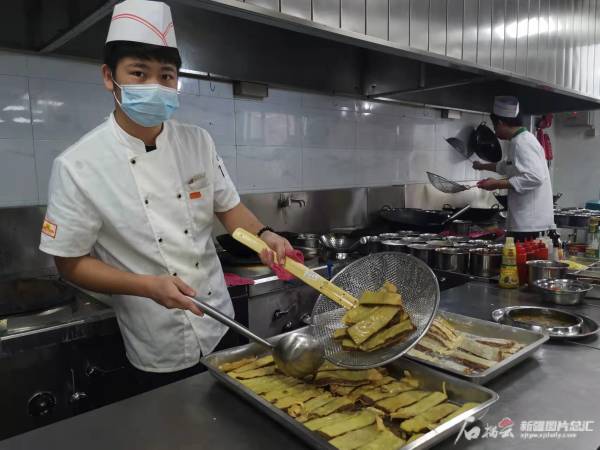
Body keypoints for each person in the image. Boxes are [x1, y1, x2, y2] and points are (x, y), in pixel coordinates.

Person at [39, 0, 291, 387]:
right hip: (157, 337)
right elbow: (69, 263)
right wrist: (146, 286)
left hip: (221, 322)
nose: (155, 86)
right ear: (110, 77)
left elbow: (230, 209)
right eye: (138, 73)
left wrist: (264, 236)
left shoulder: (198, 141)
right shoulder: (79, 165)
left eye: (166, 75)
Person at [472, 96, 554, 241]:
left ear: (501, 123)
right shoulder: (520, 140)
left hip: (530, 225)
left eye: (495, 126)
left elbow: (534, 177)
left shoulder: (522, 143)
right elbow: (508, 166)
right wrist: (481, 166)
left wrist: (496, 184)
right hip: (527, 223)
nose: (495, 132)